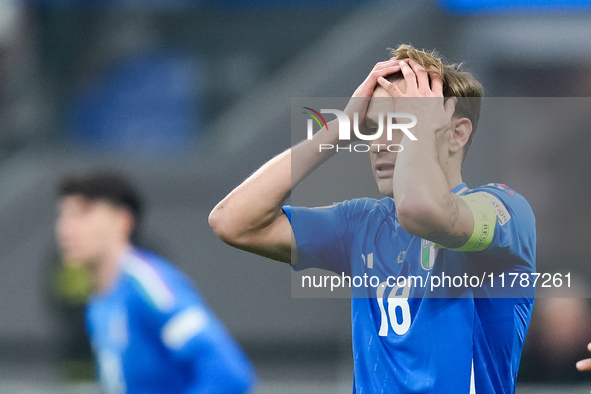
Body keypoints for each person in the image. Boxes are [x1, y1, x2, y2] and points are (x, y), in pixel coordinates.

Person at [209, 44, 536, 392]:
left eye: (401, 124)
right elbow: (232, 221)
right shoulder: (362, 224)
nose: (378, 142)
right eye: (371, 127)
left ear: (457, 133)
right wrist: (337, 130)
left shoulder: (506, 212)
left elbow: (420, 211)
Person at [56, 171, 256, 394]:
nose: (66, 228)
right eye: (63, 216)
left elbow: (230, 375)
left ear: (123, 221)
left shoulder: (147, 285)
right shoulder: (97, 305)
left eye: (83, 213)